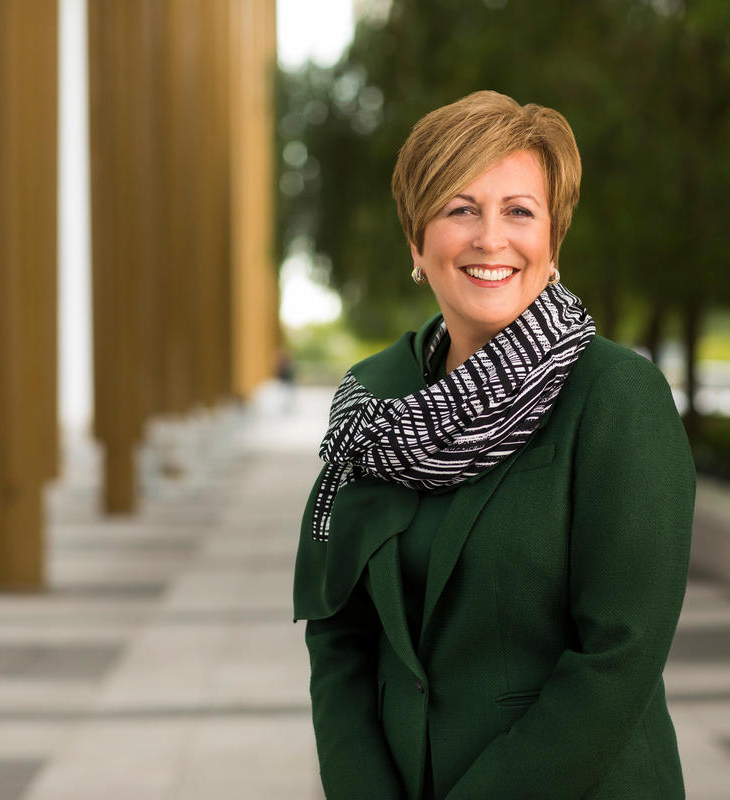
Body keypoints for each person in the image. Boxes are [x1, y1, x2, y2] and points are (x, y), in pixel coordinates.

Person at [293, 90, 694, 799]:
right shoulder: (373, 406)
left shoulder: (617, 397)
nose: (489, 238)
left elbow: (617, 656)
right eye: (459, 208)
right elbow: (340, 637)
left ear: (552, 241)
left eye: (518, 211)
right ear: (417, 242)